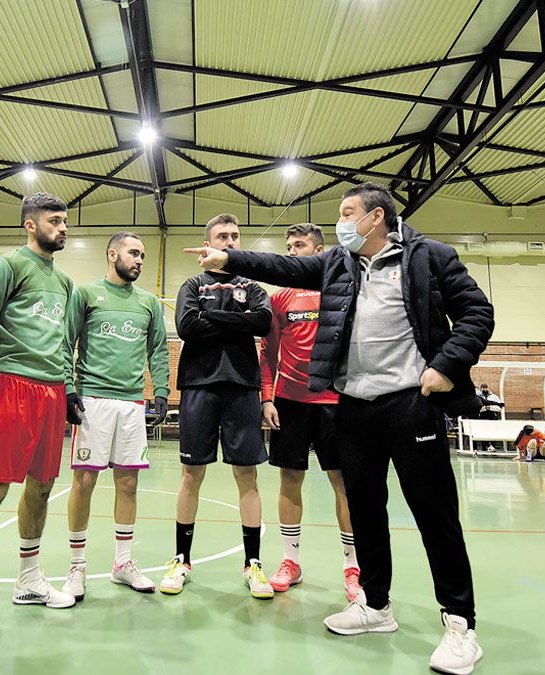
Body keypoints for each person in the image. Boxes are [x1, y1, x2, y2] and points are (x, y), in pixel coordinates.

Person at [185, 183, 494, 675]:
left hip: (411, 404)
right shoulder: (338, 265)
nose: (340, 223)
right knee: (366, 509)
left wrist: (446, 366)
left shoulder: (431, 258)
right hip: (353, 405)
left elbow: (478, 313)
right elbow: (281, 268)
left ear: (376, 217)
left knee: (434, 514)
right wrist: (229, 258)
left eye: (348, 213)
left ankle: (460, 624)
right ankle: (375, 606)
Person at [0, 193, 78, 640]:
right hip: (11, 383)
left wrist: (65, 387)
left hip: (50, 392)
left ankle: (29, 580)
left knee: (43, 485)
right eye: (54, 220)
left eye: (65, 221)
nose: (63, 228)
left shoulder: (65, 282)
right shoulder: (5, 267)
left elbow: (65, 342)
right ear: (30, 225)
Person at [162, 214, 275, 600]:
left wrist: (214, 316)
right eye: (221, 236)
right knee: (191, 475)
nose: (228, 241)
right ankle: (181, 559)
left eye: (234, 236)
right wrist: (237, 321)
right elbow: (186, 327)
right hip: (199, 386)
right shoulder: (193, 284)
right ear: (207, 243)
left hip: (242, 387)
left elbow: (262, 322)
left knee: (248, 476)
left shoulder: (252, 286)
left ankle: (254, 565)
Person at [61, 231, 171, 600]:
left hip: (131, 404)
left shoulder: (148, 302)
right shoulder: (86, 294)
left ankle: (122, 563)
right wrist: (67, 388)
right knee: (85, 483)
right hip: (93, 400)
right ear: (112, 254)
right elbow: (65, 342)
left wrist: (160, 392)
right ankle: (77, 566)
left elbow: (158, 349)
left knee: (128, 484)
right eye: (133, 253)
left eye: (143, 254)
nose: (140, 260)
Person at [258, 224, 361, 601]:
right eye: (287, 246)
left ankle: (353, 567)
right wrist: (267, 398)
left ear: (319, 251)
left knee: (343, 483)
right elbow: (267, 354)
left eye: (298, 245)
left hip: (336, 403)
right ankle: (291, 562)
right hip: (290, 402)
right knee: (289, 479)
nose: (291, 251)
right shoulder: (280, 298)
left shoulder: (340, 291)